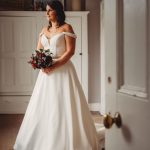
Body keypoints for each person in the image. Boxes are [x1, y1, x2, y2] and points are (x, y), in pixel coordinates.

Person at [13, 0, 100, 150]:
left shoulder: (67, 28)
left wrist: (55, 65)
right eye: (46, 10)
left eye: (50, 10)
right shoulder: (43, 30)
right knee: (44, 105)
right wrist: (41, 65)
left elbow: (70, 52)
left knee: (64, 104)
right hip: (45, 74)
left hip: (63, 70)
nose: (46, 13)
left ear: (58, 11)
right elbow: (38, 51)